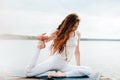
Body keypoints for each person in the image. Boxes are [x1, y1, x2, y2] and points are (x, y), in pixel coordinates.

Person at [25, 13, 92, 78]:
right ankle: (38, 48)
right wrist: (40, 39)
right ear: (68, 24)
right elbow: (45, 37)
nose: (75, 28)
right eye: (73, 26)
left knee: (88, 70)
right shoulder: (58, 32)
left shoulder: (77, 34)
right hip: (55, 61)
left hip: (65, 65)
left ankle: (62, 74)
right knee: (29, 73)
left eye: (77, 26)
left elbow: (77, 52)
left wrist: (78, 68)